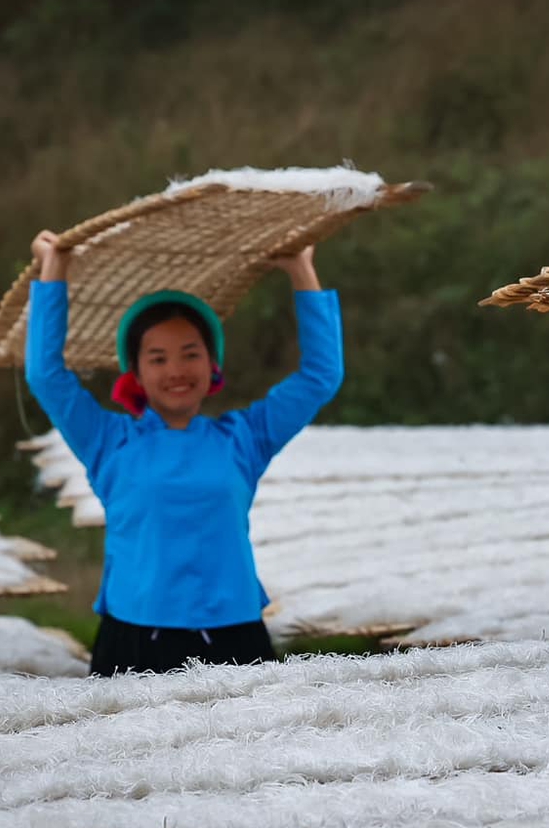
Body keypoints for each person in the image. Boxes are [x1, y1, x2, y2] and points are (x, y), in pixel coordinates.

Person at [24, 231, 343, 676]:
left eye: (189, 354)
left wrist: (300, 269)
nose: (175, 370)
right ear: (135, 371)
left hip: (236, 635)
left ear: (212, 363)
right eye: (157, 358)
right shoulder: (107, 441)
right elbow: (46, 376)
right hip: (134, 638)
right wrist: (53, 268)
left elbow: (321, 376)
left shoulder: (244, 439)